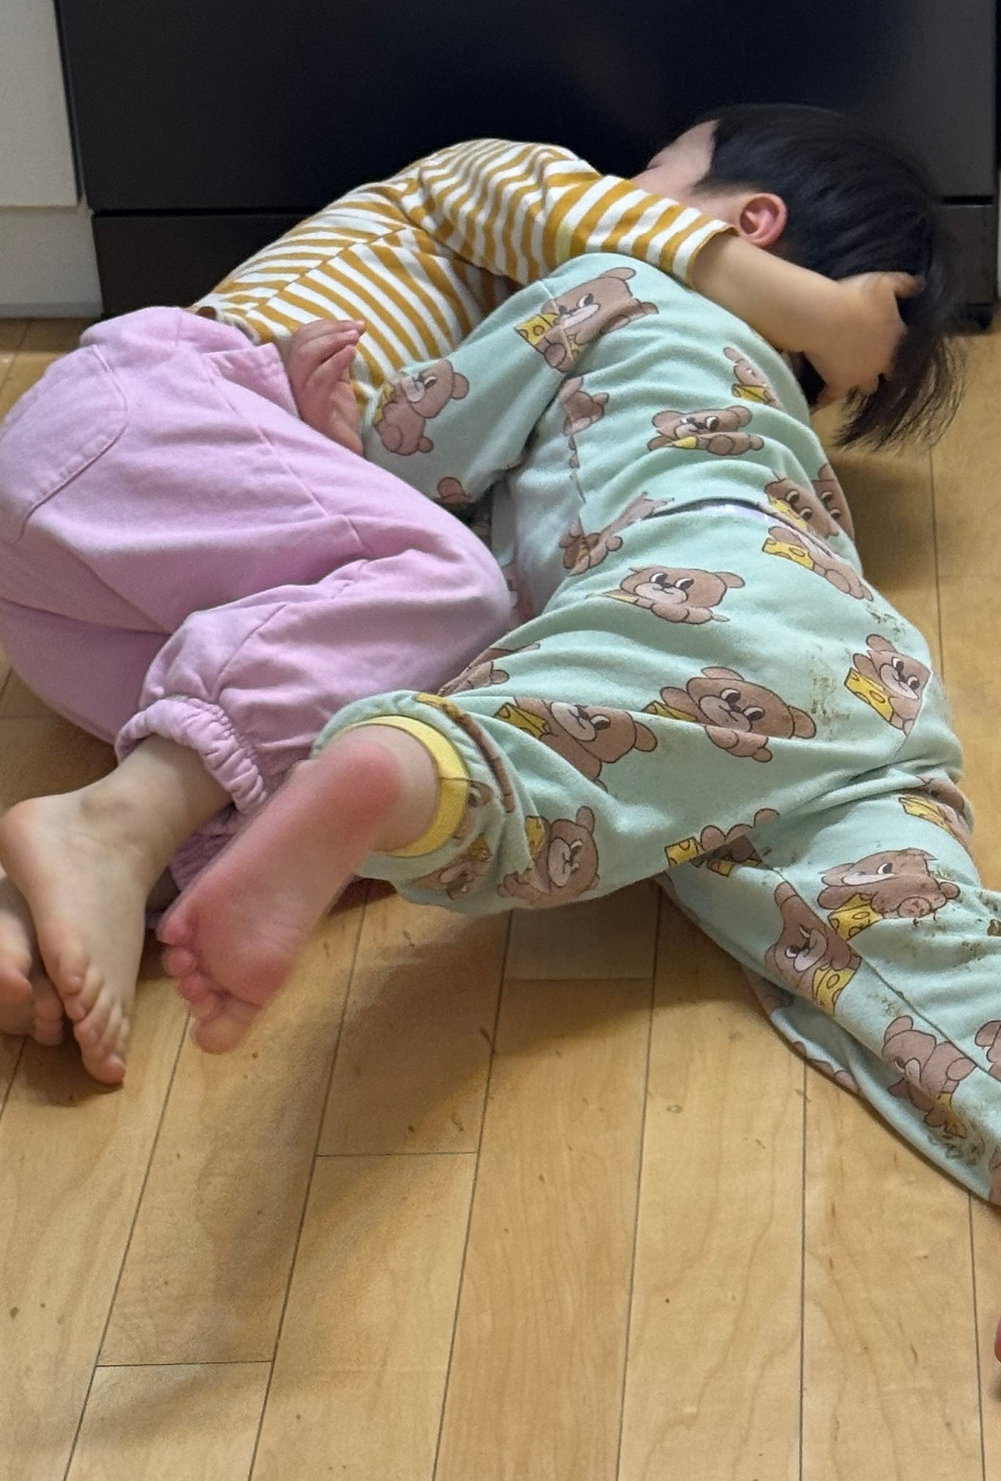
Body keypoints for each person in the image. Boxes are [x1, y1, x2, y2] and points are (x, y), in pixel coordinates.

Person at [157, 247, 1001, 1382]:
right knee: (906, 916)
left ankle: (400, 765)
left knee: (540, 754)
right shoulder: (781, 433)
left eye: (658, 168)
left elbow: (421, 444)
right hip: (861, 669)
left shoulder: (616, 282)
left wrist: (338, 434)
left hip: (682, 590)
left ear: (753, 219)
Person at [0, 107, 927, 1083]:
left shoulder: (553, 390)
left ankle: (45, 900)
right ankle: (117, 826)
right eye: (655, 166)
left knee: (372, 760)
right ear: (751, 222)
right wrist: (822, 317)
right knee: (460, 598)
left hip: (93, 609)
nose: (627, 176)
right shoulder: (487, 181)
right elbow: (610, 225)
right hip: (156, 410)